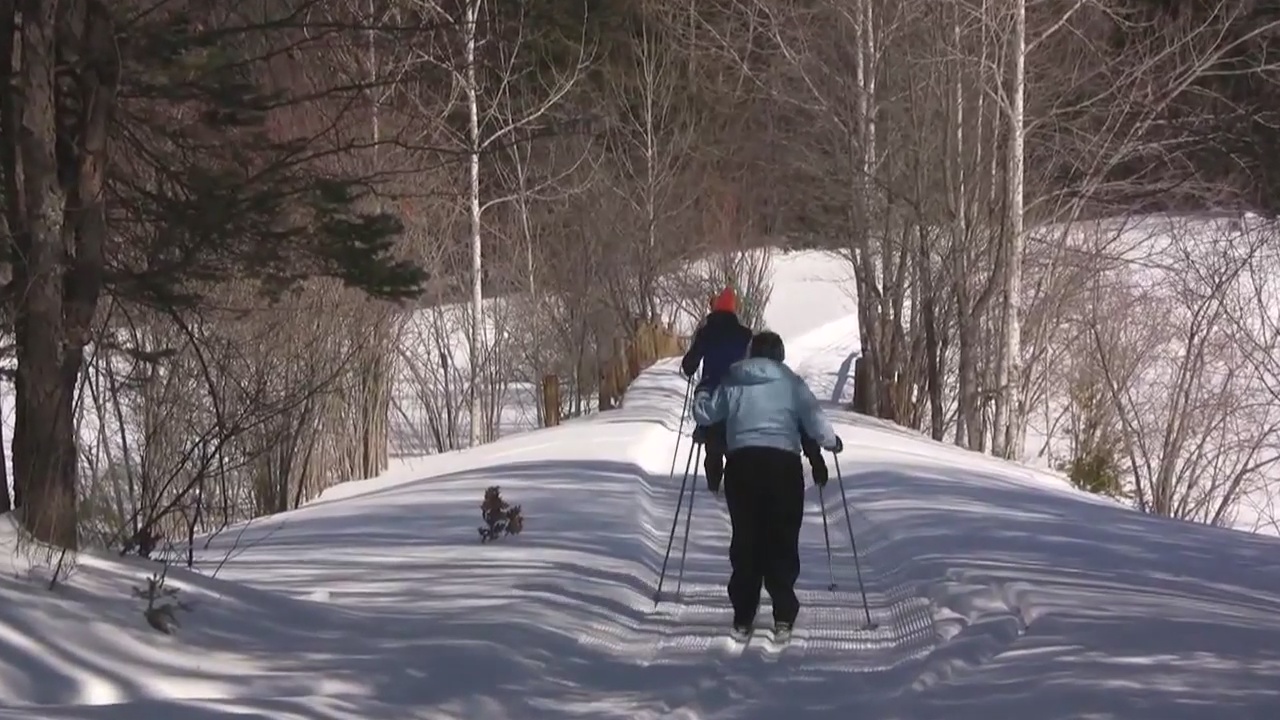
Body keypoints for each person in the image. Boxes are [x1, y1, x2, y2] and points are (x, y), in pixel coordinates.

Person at [691, 330, 843, 641]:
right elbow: (815, 421)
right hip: (782, 468)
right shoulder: (791, 384)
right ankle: (783, 613)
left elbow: (706, 414)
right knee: (781, 538)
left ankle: (743, 615)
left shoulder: (733, 381)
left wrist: (702, 393)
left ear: (751, 353)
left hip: (742, 466)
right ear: (780, 355)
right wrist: (832, 443)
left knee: (746, 538)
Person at [681, 287, 753, 493]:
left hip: (711, 392)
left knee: (712, 434)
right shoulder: (746, 335)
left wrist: (692, 362)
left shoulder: (706, 332)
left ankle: (713, 478)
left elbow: (688, 366)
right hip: (737, 394)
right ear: (734, 311)